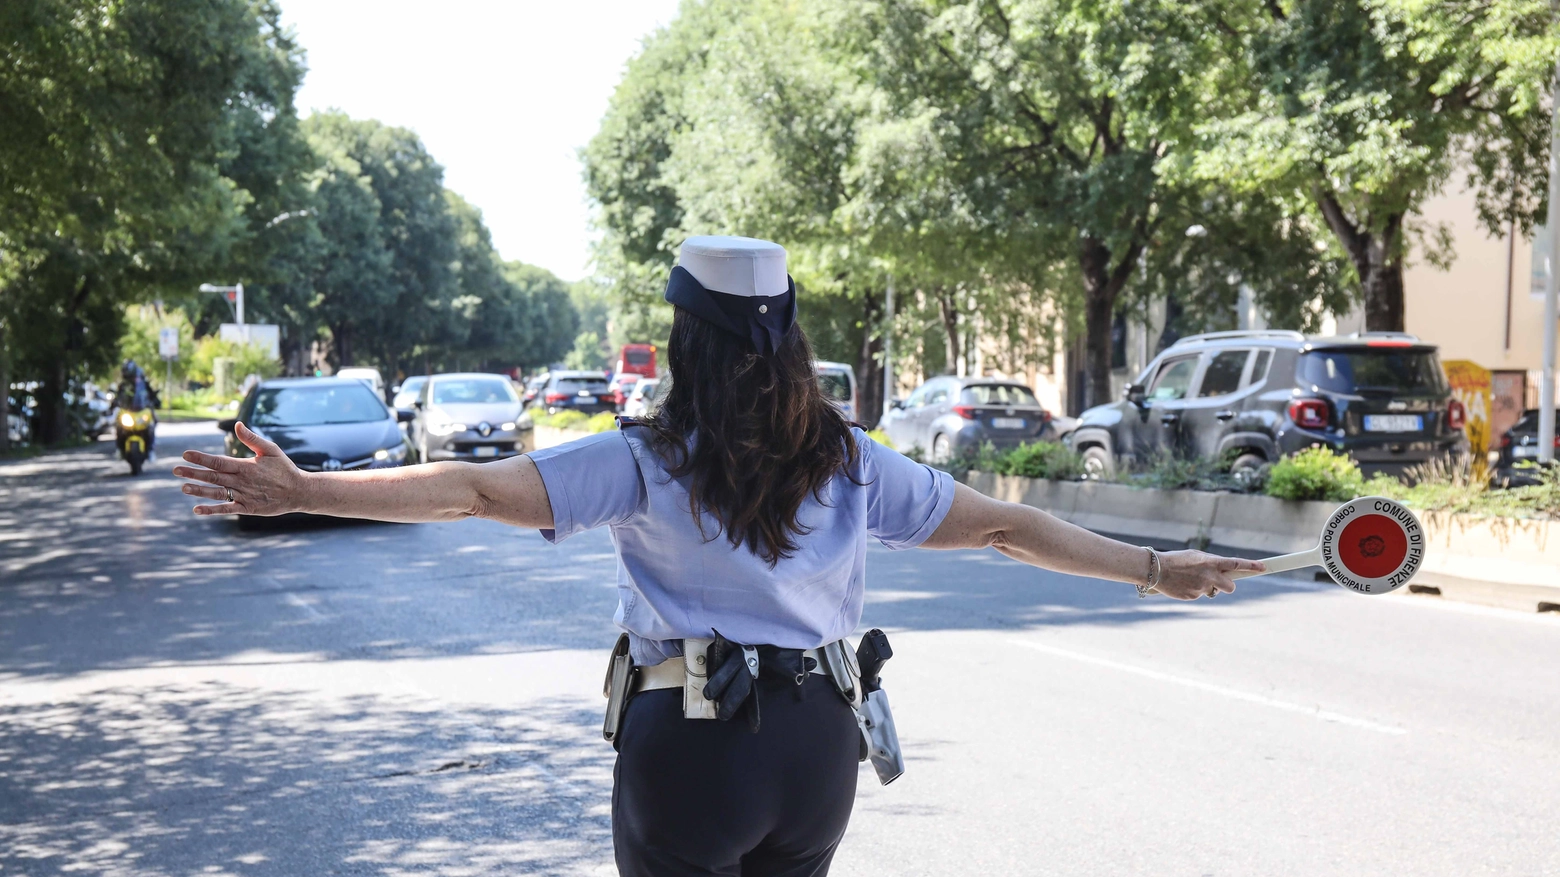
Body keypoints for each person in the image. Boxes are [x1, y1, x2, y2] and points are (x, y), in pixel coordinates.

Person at [175, 236, 1262, 876]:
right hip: (816, 751)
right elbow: (1008, 525)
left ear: (684, 340)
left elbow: (468, 491)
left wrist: (305, 491)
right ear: (787, 336)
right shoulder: (854, 457)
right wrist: (1154, 570)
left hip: (692, 745)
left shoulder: (646, 458)